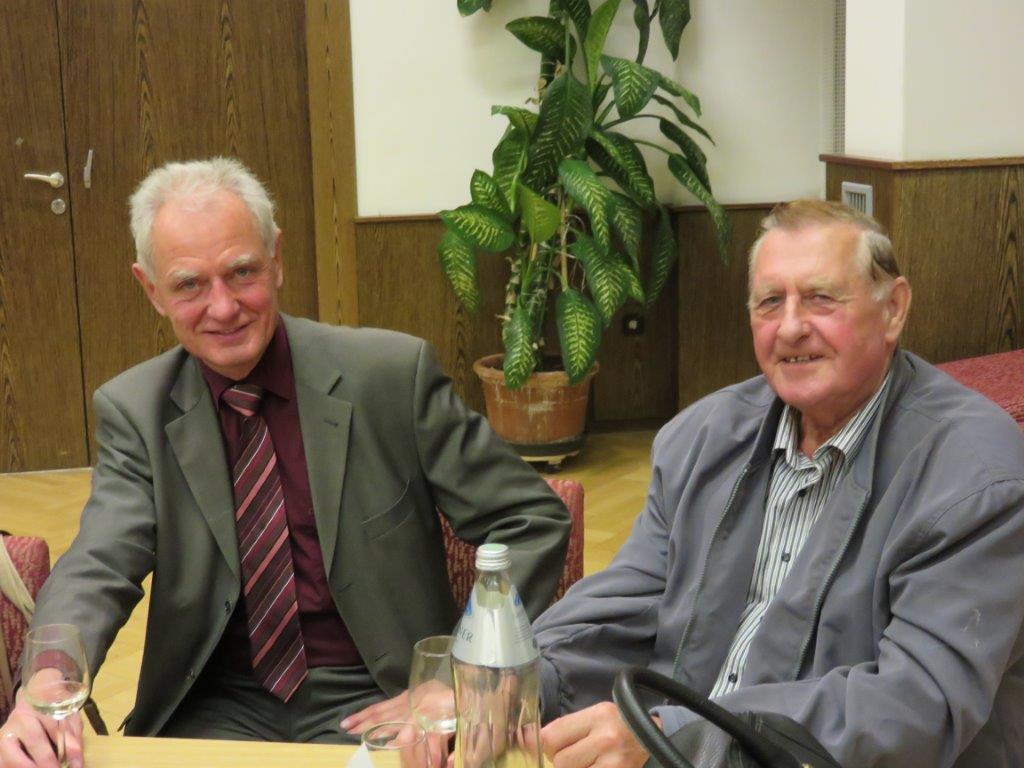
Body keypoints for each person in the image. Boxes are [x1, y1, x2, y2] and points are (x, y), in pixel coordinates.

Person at [0, 158, 569, 767]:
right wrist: (50, 677)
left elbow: (529, 521)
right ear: (151, 290)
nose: (223, 308)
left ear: (276, 259)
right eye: (189, 284)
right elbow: (99, 563)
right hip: (216, 708)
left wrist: (462, 674)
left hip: (380, 695)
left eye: (242, 272)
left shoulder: (390, 378)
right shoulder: (135, 409)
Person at [534, 200, 1024, 768]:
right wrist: (511, 679)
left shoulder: (975, 477)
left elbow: (915, 705)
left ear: (893, 309)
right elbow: (624, 603)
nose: (790, 327)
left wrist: (677, 736)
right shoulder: (703, 436)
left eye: (821, 298)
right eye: (770, 302)